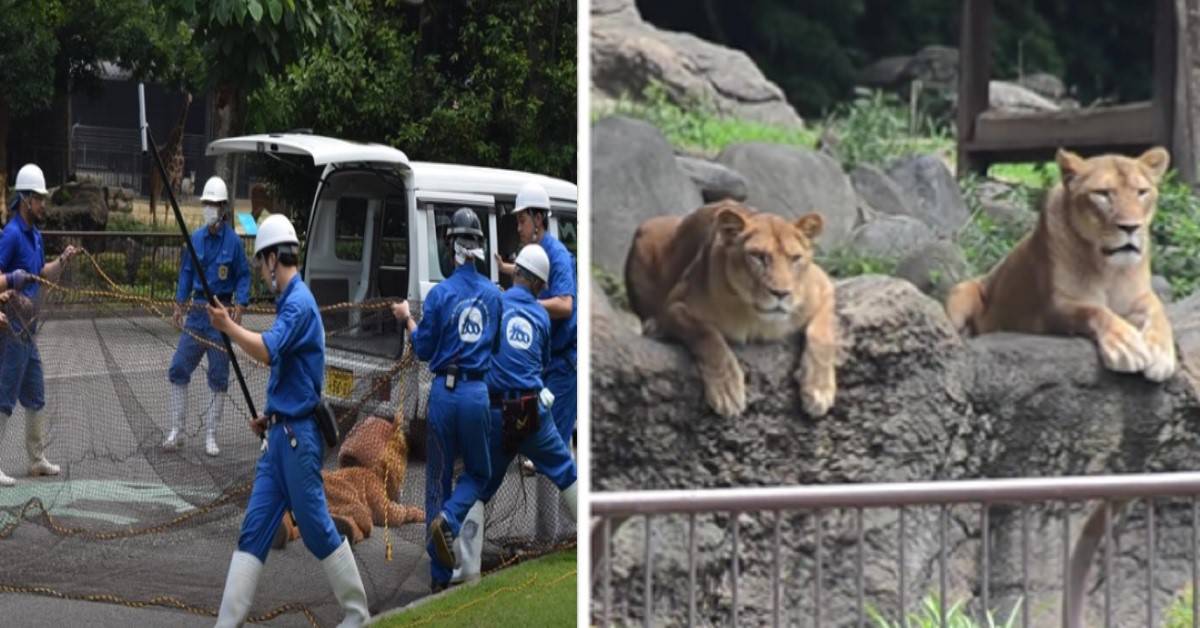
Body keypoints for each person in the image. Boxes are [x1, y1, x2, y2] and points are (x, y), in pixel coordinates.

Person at [208, 214, 368, 627]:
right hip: (281, 435)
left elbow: (267, 351)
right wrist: (271, 415)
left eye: (262, 264)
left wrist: (228, 326)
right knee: (254, 529)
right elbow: (288, 374)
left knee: (315, 528)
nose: (262, 274)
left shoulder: (299, 304)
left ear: (275, 258)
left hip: (298, 440)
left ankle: (356, 614)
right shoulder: (290, 303)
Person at [453, 244, 577, 584]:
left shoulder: (495, 303)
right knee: (566, 469)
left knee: (479, 484)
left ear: (517, 273)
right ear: (540, 285)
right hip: (532, 409)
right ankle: (596, 542)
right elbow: (541, 360)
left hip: (496, 411)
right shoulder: (540, 316)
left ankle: (467, 571)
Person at [392, 207, 500, 593]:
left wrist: (407, 318)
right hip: (476, 393)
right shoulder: (494, 295)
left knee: (437, 483)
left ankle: (439, 576)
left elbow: (421, 347)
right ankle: (450, 522)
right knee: (479, 473)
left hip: (443, 394)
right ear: (479, 248)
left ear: (451, 245)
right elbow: (498, 347)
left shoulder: (439, 296)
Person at [0, 164, 77, 486]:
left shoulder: (35, 236)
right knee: (3, 395)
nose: (44, 204)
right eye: (40, 198)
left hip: (28, 332)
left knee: (35, 393)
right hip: (11, 331)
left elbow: (40, 273)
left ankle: (36, 460)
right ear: (26, 199)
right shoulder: (12, 235)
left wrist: (61, 261)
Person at [164, 176, 250, 456]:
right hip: (197, 314)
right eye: (206, 204)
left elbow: (244, 275)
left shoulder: (234, 243)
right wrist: (180, 304)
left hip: (221, 315)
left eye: (214, 204)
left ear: (223, 208)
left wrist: (242, 303)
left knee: (219, 375)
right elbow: (186, 273)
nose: (209, 208)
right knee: (178, 368)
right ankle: (177, 430)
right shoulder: (196, 239)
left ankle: (211, 434)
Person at [496, 182, 576, 451]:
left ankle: (563, 489)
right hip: (547, 361)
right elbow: (525, 272)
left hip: (565, 362)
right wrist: (504, 268)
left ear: (538, 219)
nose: (518, 228)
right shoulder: (533, 255)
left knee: (554, 444)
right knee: (540, 435)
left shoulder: (558, 256)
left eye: (522, 221)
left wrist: (530, 307)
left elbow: (566, 305)